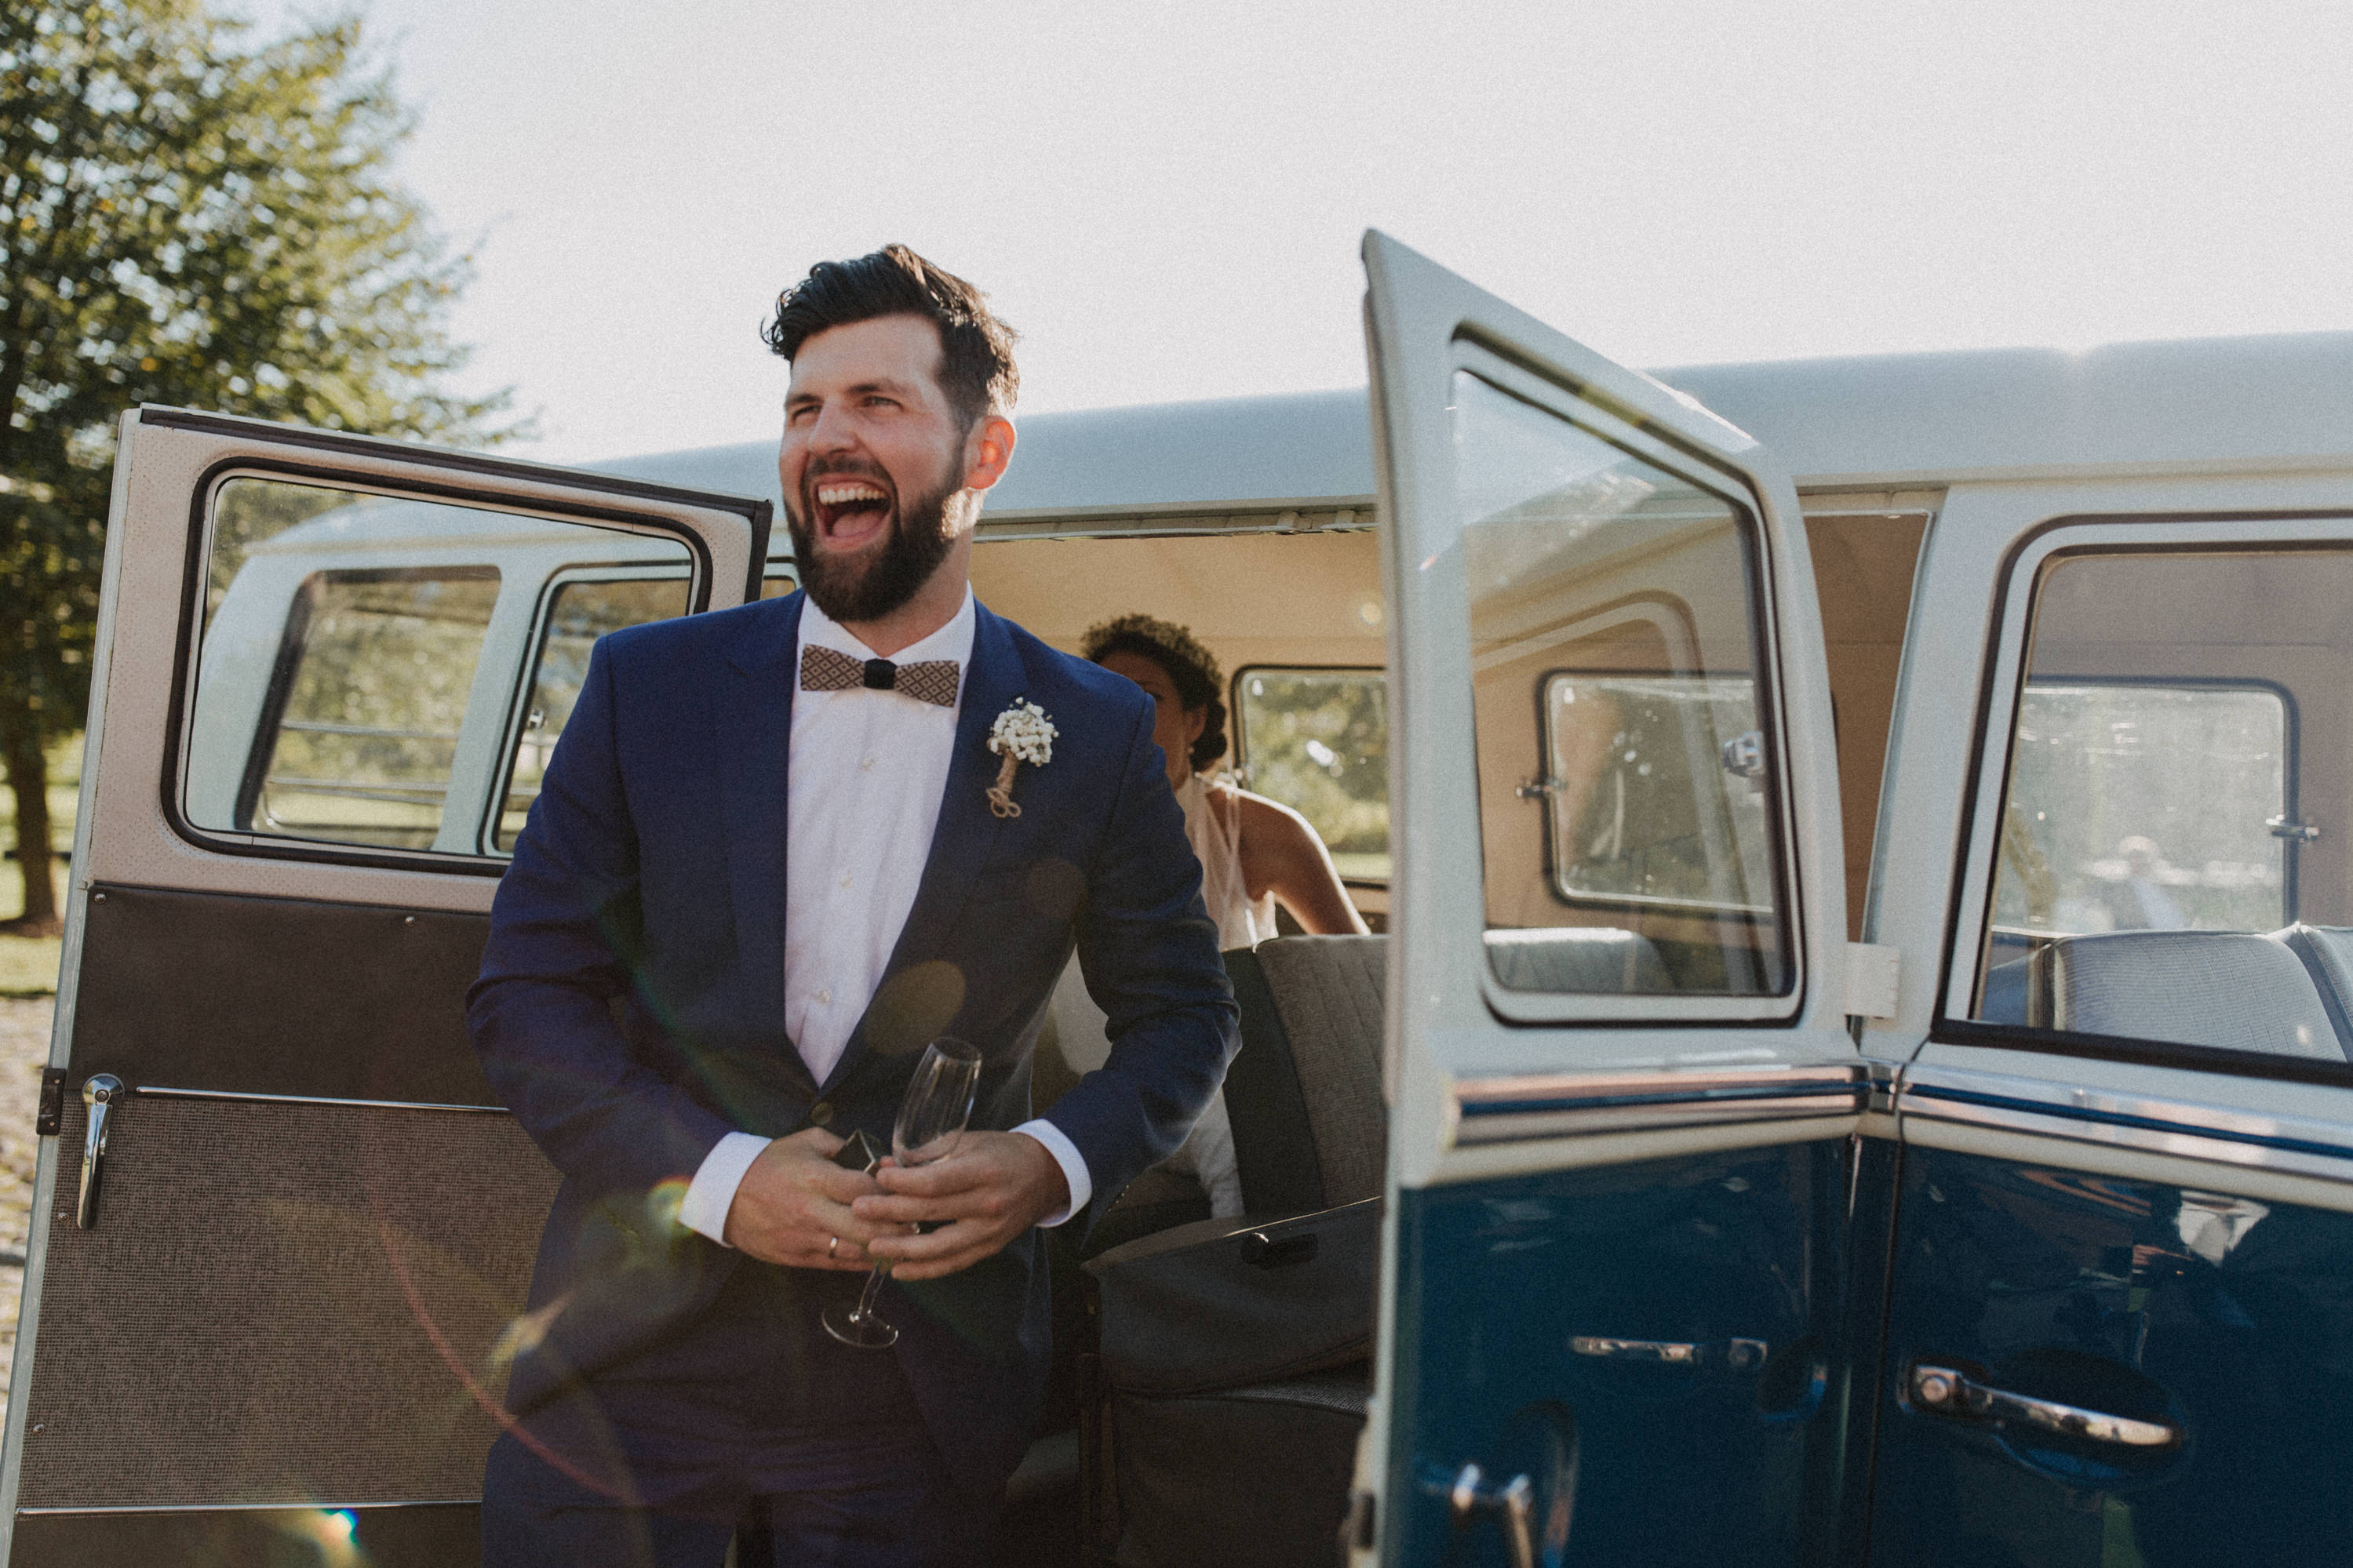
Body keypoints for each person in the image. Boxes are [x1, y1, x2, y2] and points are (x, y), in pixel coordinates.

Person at [468, 246, 1237, 1567]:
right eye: (801, 409)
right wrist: (716, 1177)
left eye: (873, 402)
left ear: (982, 452)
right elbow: (525, 994)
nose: (825, 438)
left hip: (917, 1387)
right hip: (628, 1360)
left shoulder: (1094, 732)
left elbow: (1182, 1016)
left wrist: (1045, 1164)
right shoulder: (645, 686)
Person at [1045, 614, 1365, 1217]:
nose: (1124, 714)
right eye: (1104, 696)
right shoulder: (1053, 822)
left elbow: (1353, 960)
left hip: (1237, 1070)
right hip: (1110, 1078)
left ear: (1195, 720)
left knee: (1244, 1123)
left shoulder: (1261, 831)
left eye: (1147, 698)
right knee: (1229, 1131)